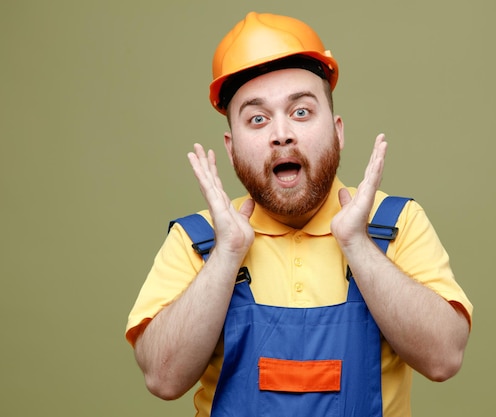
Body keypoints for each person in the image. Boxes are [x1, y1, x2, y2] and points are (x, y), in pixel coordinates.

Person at [126, 11, 473, 417]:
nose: (281, 133)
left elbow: (444, 358)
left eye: (302, 112)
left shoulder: (395, 224)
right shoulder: (199, 239)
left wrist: (358, 244)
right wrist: (225, 254)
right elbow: (163, 379)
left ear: (338, 131)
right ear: (231, 147)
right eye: (257, 119)